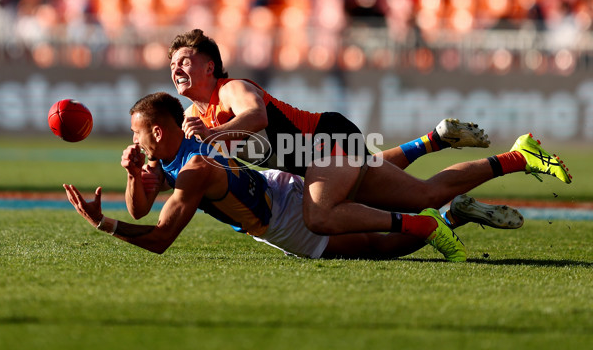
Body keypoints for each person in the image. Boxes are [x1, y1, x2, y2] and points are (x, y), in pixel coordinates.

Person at [65, 93, 565, 262]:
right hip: (294, 173)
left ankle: (445, 220)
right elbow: (140, 207)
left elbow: (157, 238)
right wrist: (135, 175)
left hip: (290, 219)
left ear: (157, 129)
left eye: (137, 135)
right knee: (375, 174)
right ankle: (441, 144)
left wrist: (102, 225)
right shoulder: (181, 145)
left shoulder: (193, 169)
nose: (132, 142)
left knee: (402, 227)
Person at [167, 29, 571, 236]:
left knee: (320, 216)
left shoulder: (231, 89)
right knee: (424, 195)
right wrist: (149, 171)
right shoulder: (195, 114)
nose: (177, 68)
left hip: (327, 141)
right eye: (173, 63)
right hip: (316, 159)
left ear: (210, 67)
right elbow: (207, 163)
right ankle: (521, 156)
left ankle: (429, 226)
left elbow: (255, 118)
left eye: (186, 60)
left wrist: (212, 136)